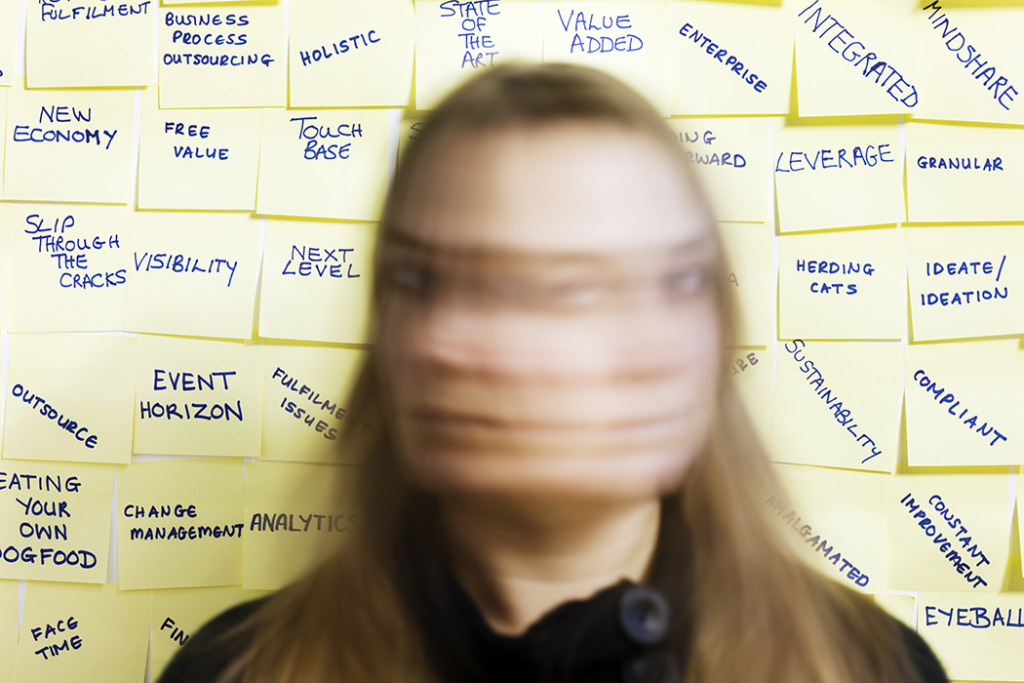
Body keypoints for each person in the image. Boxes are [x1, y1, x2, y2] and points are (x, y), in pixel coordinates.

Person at [158, 63, 949, 683]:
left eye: (570, 286)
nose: (453, 341)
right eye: (422, 280)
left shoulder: (868, 666)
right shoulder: (235, 669)